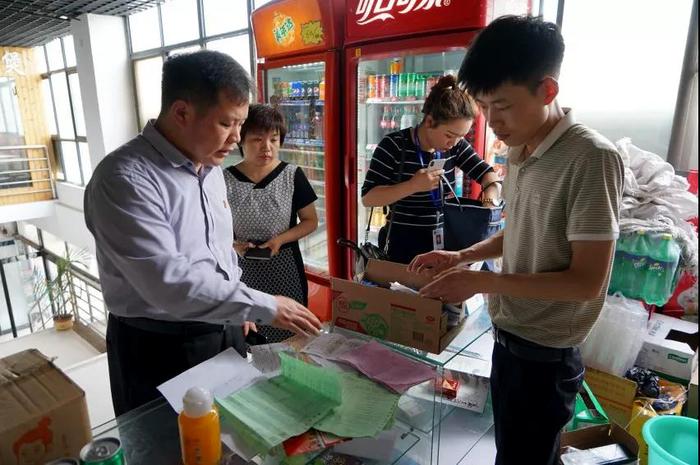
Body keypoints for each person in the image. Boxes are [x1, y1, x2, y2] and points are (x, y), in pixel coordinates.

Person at [409, 16, 624, 465]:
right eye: (486, 106)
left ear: (547, 91)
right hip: (508, 339)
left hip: (546, 358)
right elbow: (526, 229)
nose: (494, 121)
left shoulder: (592, 158)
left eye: (503, 106)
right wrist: (463, 256)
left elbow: (585, 281)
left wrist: (479, 282)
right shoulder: (521, 148)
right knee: (509, 452)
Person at [84, 51, 321, 416]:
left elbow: (220, 250)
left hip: (223, 326)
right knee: (172, 448)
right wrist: (264, 305)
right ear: (182, 112)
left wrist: (237, 308)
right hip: (160, 345)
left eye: (240, 125)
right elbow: (170, 283)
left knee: (233, 435)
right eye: (227, 123)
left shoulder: (210, 169)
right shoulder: (125, 179)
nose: (236, 138)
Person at [361, 74, 502, 264]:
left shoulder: (457, 146)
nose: (454, 143)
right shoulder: (394, 145)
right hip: (402, 244)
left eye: (461, 137)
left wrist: (489, 202)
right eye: (449, 135)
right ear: (429, 122)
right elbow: (369, 198)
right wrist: (412, 186)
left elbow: (489, 175)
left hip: (445, 242)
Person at [224, 104, 318, 342]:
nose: (267, 147)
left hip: (284, 267)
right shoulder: (223, 179)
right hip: (241, 269)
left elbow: (310, 221)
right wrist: (233, 245)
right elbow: (214, 229)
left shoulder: (292, 175)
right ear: (240, 140)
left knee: (291, 332)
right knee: (250, 334)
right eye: (257, 139)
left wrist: (279, 240)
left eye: (274, 139)